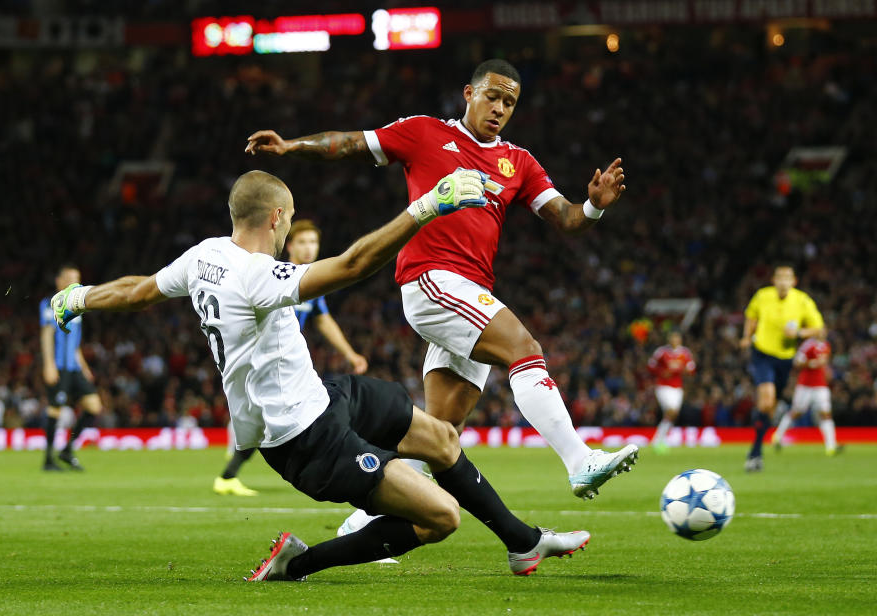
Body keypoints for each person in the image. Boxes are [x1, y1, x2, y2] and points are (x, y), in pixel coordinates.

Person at [50, 169, 591, 581]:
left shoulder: (204, 256)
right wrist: (426, 206)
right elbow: (353, 265)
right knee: (440, 519)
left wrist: (80, 296)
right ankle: (297, 564)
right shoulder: (257, 276)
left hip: (327, 396)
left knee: (441, 438)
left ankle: (522, 544)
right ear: (278, 217)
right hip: (303, 440)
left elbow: (139, 291)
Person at [246, 58, 636, 519]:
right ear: (469, 94)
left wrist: (592, 206)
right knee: (524, 348)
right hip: (432, 279)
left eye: (509, 102)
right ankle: (579, 460)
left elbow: (566, 219)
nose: (500, 108)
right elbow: (352, 144)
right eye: (492, 96)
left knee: (440, 434)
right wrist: (293, 147)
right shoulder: (424, 132)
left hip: (470, 289)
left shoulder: (520, 162)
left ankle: (363, 520)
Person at [213, 219, 368, 496]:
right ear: (290, 245)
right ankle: (232, 466)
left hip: (282, 363)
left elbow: (323, 320)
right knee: (272, 420)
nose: (310, 248)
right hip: (259, 360)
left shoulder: (308, 279)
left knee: (276, 418)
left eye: (314, 242)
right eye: (303, 242)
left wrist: (350, 354)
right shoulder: (275, 274)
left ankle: (233, 461)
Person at [739, 264, 824, 472]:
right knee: (767, 399)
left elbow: (818, 328)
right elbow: (751, 315)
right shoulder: (762, 296)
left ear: (793, 281)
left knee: (770, 406)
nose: (783, 281)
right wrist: (746, 336)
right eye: (779, 277)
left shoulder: (802, 300)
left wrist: (798, 334)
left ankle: (757, 448)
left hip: (786, 359)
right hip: (762, 353)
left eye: (787, 278)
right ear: (774, 280)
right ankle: (755, 452)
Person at [38, 265, 105, 471]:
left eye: (78, 279)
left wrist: (83, 366)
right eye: (71, 278)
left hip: (74, 366)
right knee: (55, 409)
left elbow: (74, 342)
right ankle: (49, 460)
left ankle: (67, 450)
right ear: (59, 281)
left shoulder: (76, 307)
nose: (76, 283)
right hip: (58, 365)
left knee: (94, 406)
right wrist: (48, 364)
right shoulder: (50, 304)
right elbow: (47, 334)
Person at [772, 334, 841, 455]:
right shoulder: (808, 345)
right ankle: (777, 436)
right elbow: (797, 362)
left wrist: (826, 371)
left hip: (821, 385)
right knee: (797, 412)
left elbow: (824, 364)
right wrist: (812, 363)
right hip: (806, 385)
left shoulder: (826, 345)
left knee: (826, 413)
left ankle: (831, 446)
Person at [648, 331, 696, 452]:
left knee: (672, 414)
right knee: (671, 411)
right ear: (669, 339)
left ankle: (660, 440)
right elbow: (651, 366)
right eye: (673, 337)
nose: (675, 339)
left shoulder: (685, 353)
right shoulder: (661, 352)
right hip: (663, 386)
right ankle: (657, 439)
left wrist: (680, 368)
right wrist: (662, 372)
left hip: (677, 387)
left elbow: (691, 369)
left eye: (677, 337)